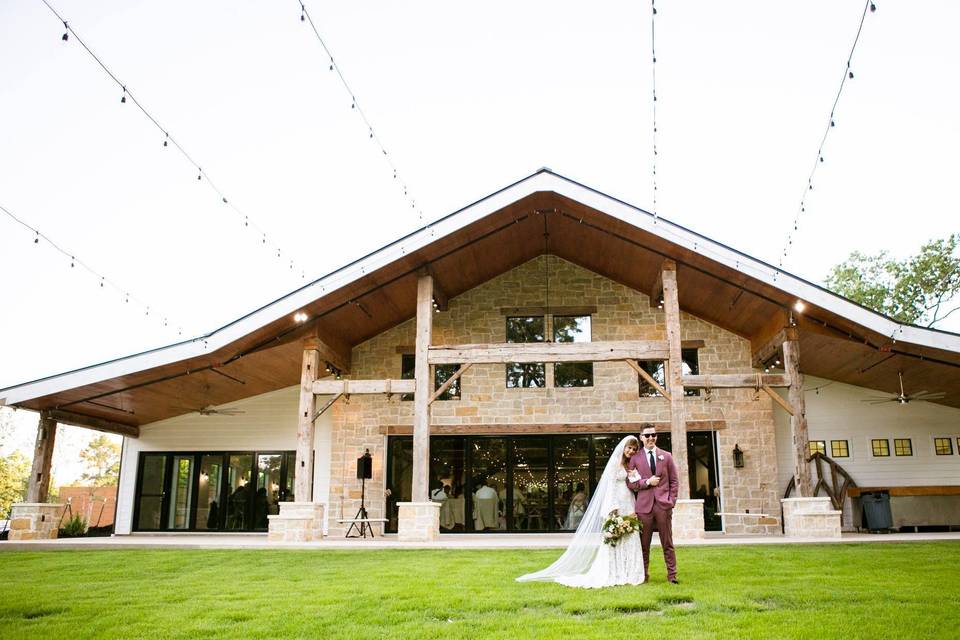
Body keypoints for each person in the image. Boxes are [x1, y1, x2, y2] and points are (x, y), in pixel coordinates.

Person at [516, 436, 644, 587]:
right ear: (623, 447)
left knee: (629, 535)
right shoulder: (615, 464)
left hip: (628, 501)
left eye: (634, 449)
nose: (631, 451)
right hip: (618, 502)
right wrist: (613, 507)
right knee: (616, 535)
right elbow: (611, 486)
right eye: (629, 448)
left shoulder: (630, 464)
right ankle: (615, 571)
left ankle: (629, 571)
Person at [627, 423, 679, 584]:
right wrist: (647, 482)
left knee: (667, 543)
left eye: (653, 435)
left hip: (663, 506)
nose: (651, 438)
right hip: (644, 508)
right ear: (641, 437)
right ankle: (643, 575)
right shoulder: (635, 458)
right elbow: (631, 484)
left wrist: (671, 501)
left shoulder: (667, 456)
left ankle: (672, 576)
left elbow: (674, 481)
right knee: (643, 545)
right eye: (647, 435)